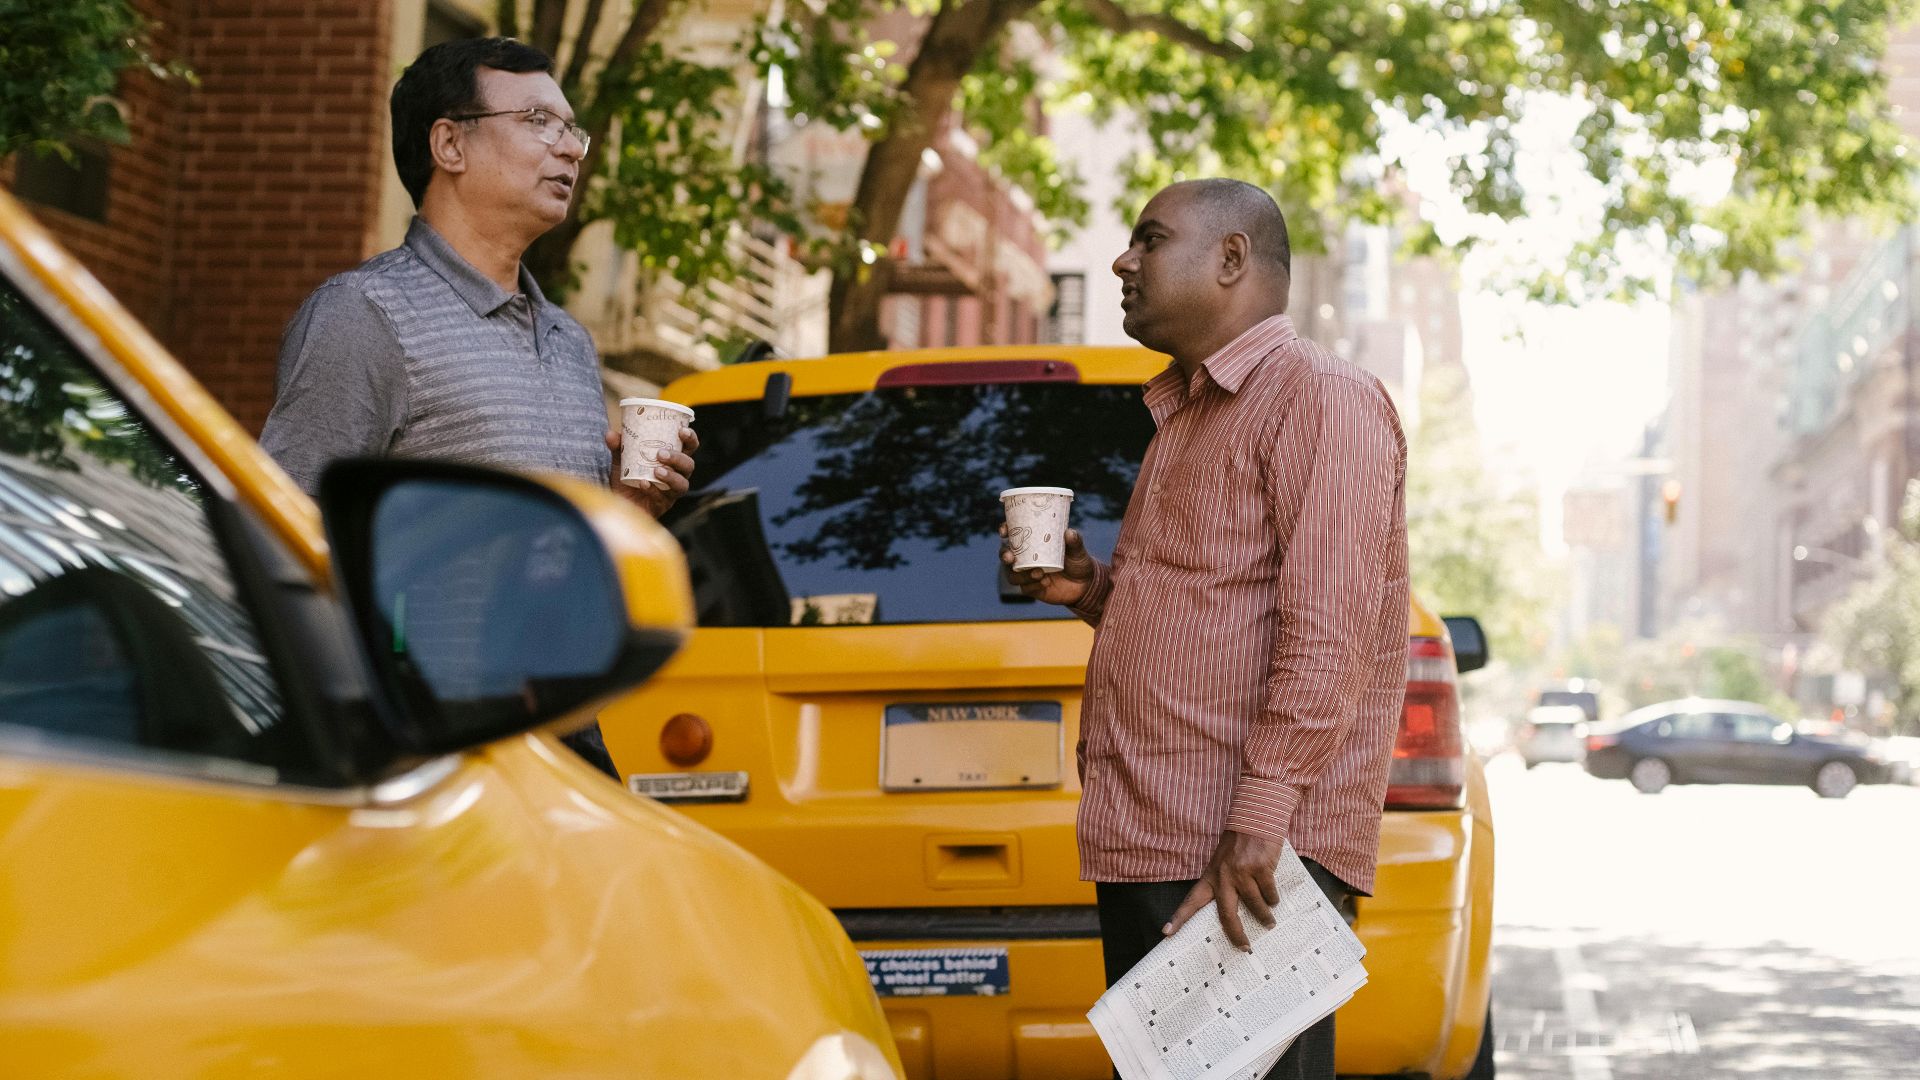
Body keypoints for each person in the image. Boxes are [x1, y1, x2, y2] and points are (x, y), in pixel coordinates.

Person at [1006, 179, 1409, 1080]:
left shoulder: (1321, 400)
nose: (1123, 259)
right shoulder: (1186, 410)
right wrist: (1091, 593)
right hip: (1159, 834)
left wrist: (1259, 824)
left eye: (1150, 238)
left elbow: (1328, 633)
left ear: (1232, 258)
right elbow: (1213, 618)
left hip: (1244, 855)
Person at [259, 37, 695, 775]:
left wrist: (626, 510)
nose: (570, 149)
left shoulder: (568, 342)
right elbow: (285, 539)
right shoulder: (364, 314)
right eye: (537, 122)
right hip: (435, 756)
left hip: (567, 750)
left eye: (572, 130)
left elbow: (563, 577)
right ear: (449, 144)